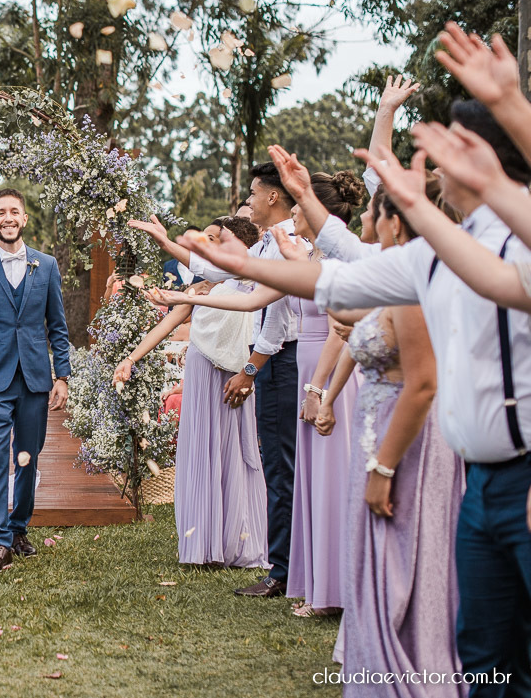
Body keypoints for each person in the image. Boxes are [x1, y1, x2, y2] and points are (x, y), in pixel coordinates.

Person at [168, 96, 531, 691]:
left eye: (440, 160)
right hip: (480, 477)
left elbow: (423, 373)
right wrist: (241, 261)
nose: (430, 172)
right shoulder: (429, 255)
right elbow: (332, 274)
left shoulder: (502, 249)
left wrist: (383, 462)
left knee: (511, 651)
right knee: (484, 648)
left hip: (512, 472)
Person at [313, 181, 465, 696]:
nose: (363, 222)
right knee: (376, 559)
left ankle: (407, 673)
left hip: (407, 442)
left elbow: (422, 384)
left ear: (394, 223)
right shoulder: (396, 277)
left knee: (401, 561)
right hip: (375, 434)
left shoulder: (413, 280)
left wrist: (383, 468)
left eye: (371, 214)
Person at [131, 161, 303, 599]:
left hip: (284, 360)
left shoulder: (289, 245)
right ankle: (281, 565)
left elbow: (273, 316)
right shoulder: (265, 246)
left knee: (280, 465)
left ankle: (284, 567)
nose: (246, 200)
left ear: (271, 196)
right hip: (265, 361)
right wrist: (168, 245)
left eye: (251, 193)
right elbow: (218, 273)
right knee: (277, 464)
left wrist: (249, 368)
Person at [115, 216, 267, 568]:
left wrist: (167, 242)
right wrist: (131, 358)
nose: (208, 245)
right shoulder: (202, 288)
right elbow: (167, 324)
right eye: (206, 239)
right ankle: (203, 545)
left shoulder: (252, 275)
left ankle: (236, 541)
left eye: (217, 239)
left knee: (234, 454)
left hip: (236, 374)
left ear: (242, 247)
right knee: (201, 450)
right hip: (201, 368)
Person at [0, 188, 71, 573]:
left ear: (24, 219)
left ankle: (19, 528)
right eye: (0, 212)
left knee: (27, 457)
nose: (7, 217)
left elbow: (58, 326)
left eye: (14, 211)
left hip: (36, 380)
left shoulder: (47, 265)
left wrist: (63, 376)